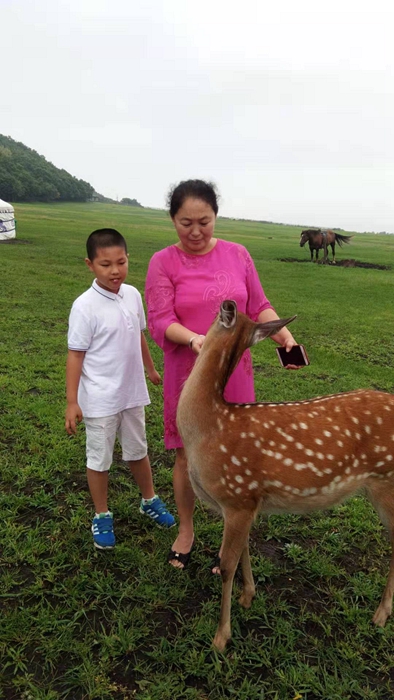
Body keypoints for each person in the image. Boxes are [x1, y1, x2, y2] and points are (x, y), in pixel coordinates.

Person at [145, 180, 300, 571]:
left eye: (204, 222)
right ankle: (186, 528)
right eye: (185, 223)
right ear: (172, 220)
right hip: (189, 374)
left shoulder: (238, 254)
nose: (195, 232)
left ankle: (234, 543)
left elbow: (259, 303)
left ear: (216, 216)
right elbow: (161, 320)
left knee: (237, 457)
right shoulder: (163, 262)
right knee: (187, 456)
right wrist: (198, 340)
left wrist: (283, 334)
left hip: (235, 372)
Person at [65, 228, 175, 550]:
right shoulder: (84, 307)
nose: (115, 271)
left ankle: (149, 500)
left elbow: (138, 335)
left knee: (138, 450)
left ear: (128, 260)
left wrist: (151, 368)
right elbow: (75, 355)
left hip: (132, 393)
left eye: (121, 262)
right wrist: (72, 401)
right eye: (105, 264)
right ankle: (101, 515)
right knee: (100, 459)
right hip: (100, 399)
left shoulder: (133, 295)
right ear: (90, 265)